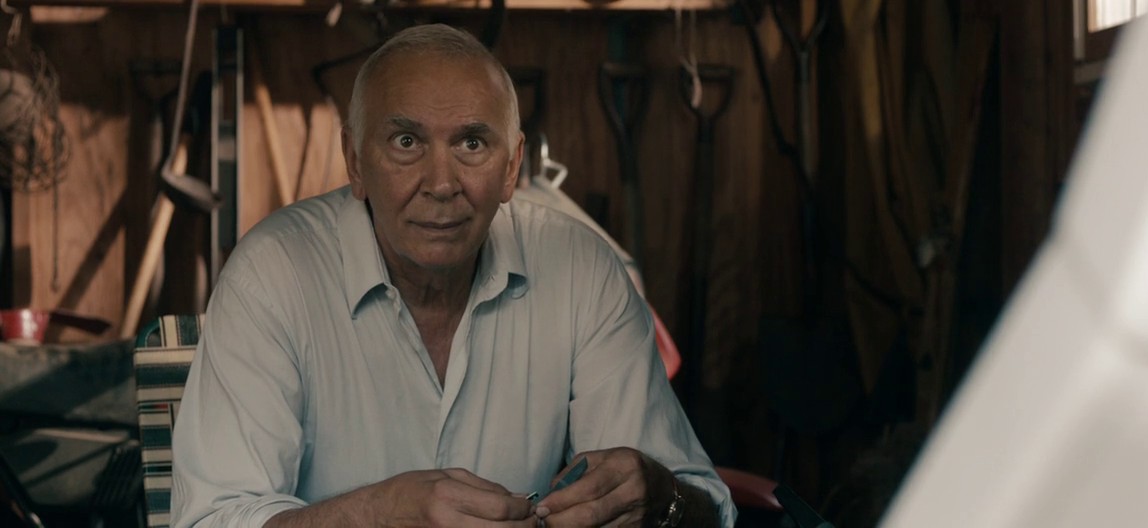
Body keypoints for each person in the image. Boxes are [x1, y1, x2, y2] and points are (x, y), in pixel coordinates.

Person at [169, 23, 735, 528]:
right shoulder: (272, 274)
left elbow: (708, 509)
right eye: (406, 142)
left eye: (471, 143)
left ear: (512, 166)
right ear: (355, 160)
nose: (441, 184)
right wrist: (379, 516)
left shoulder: (582, 269)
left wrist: (662, 500)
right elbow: (212, 520)